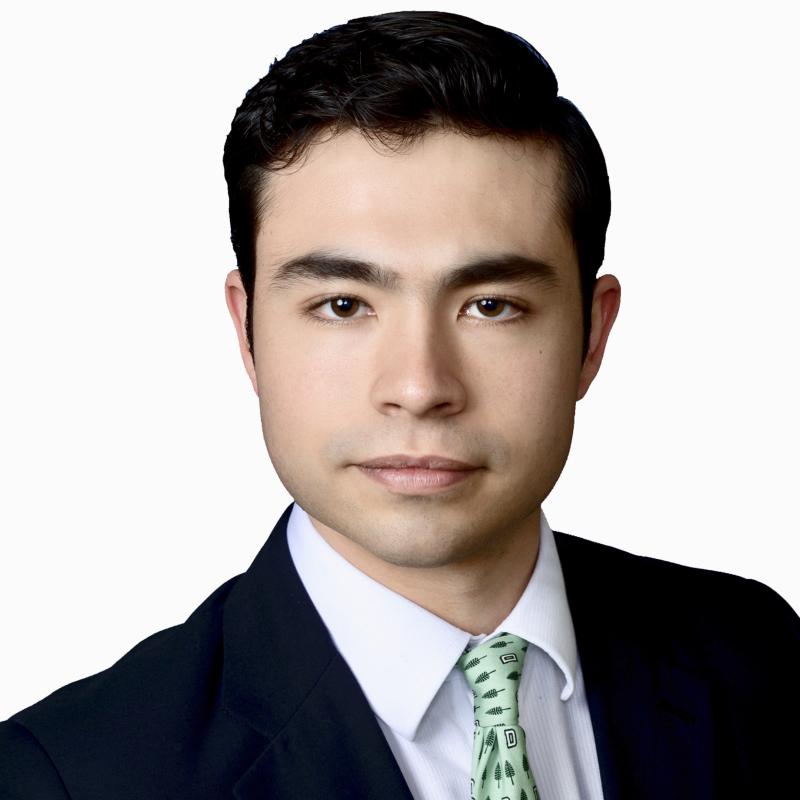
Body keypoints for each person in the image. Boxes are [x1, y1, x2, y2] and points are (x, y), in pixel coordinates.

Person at [1, 9, 797, 799]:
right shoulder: (68, 775)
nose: (418, 387)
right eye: (343, 305)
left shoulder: (756, 655)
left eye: (491, 306)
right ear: (247, 333)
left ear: (593, 336)